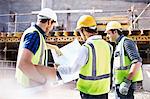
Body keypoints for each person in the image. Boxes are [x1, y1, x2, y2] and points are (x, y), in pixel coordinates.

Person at [57, 15, 113, 99]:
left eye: (80, 32)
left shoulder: (86, 48)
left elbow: (72, 69)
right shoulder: (108, 46)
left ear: (84, 30)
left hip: (89, 91)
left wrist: (58, 69)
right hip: (104, 89)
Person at [15, 8, 62, 88]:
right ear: (49, 22)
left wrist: (54, 47)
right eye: (52, 26)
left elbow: (38, 46)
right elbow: (23, 64)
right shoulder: (34, 35)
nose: (51, 29)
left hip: (27, 84)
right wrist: (43, 81)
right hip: (29, 86)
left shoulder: (35, 33)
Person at [105, 21, 143, 99]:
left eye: (108, 33)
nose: (107, 36)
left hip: (126, 85)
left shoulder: (126, 42)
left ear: (115, 31)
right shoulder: (119, 44)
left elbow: (137, 62)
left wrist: (127, 82)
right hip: (120, 84)